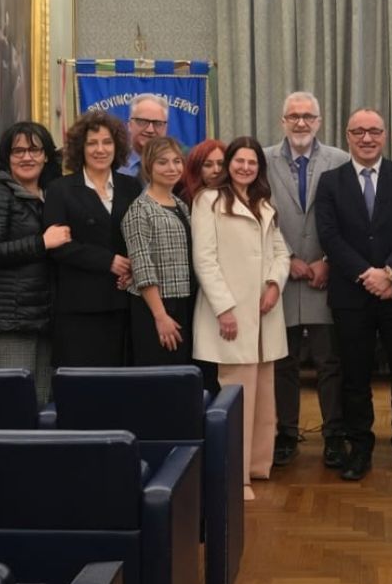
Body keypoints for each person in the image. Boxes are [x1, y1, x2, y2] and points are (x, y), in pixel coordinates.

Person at [314, 108, 392, 481]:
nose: (367, 138)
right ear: (347, 135)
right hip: (352, 295)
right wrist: (368, 275)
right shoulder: (331, 182)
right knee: (354, 377)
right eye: (358, 131)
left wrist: (390, 273)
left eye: (374, 131)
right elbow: (329, 236)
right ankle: (359, 448)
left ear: (385, 135)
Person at [191, 137, 290, 500]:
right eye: (239, 161)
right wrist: (224, 308)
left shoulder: (264, 202)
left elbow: (281, 251)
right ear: (228, 163)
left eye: (252, 162)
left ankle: (256, 466)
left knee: (264, 395)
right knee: (236, 399)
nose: (245, 167)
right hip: (229, 317)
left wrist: (274, 284)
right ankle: (236, 476)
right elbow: (204, 259)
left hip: (264, 314)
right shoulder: (208, 200)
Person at [264, 92, 351, 468]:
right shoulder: (262, 160)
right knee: (283, 363)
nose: (301, 123)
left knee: (330, 361)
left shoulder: (341, 160)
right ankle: (285, 432)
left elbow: (351, 218)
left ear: (320, 121)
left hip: (325, 279)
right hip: (280, 278)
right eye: (293, 116)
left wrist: (328, 261)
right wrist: (291, 260)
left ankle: (334, 434)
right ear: (283, 120)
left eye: (308, 117)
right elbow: (258, 215)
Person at [0, 121, 68, 401]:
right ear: (7, 156)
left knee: (39, 403)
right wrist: (41, 242)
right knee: (8, 406)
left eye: (35, 150)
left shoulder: (51, 193)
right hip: (9, 319)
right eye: (18, 151)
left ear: (47, 155)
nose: (27, 157)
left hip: (43, 316)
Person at [46, 109, 141, 367]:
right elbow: (59, 247)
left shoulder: (132, 187)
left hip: (123, 304)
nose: (100, 149)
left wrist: (134, 267)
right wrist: (108, 261)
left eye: (107, 142)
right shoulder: (60, 189)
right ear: (80, 148)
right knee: (82, 391)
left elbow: (140, 238)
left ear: (118, 145)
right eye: (92, 143)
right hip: (79, 307)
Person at [122, 136, 199, 370]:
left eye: (177, 161)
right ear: (148, 166)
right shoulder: (140, 209)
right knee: (159, 378)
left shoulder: (180, 204)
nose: (172, 168)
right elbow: (142, 266)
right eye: (162, 162)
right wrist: (161, 316)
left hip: (184, 301)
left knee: (182, 378)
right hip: (157, 307)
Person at [119, 94, 170, 177]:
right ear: (130, 125)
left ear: (165, 128)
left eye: (157, 123)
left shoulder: (176, 168)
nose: (150, 130)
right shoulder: (114, 164)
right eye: (142, 122)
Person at [182, 138, 227, 204]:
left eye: (221, 164)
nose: (216, 170)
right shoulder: (185, 199)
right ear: (197, 169)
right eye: (208, 165)